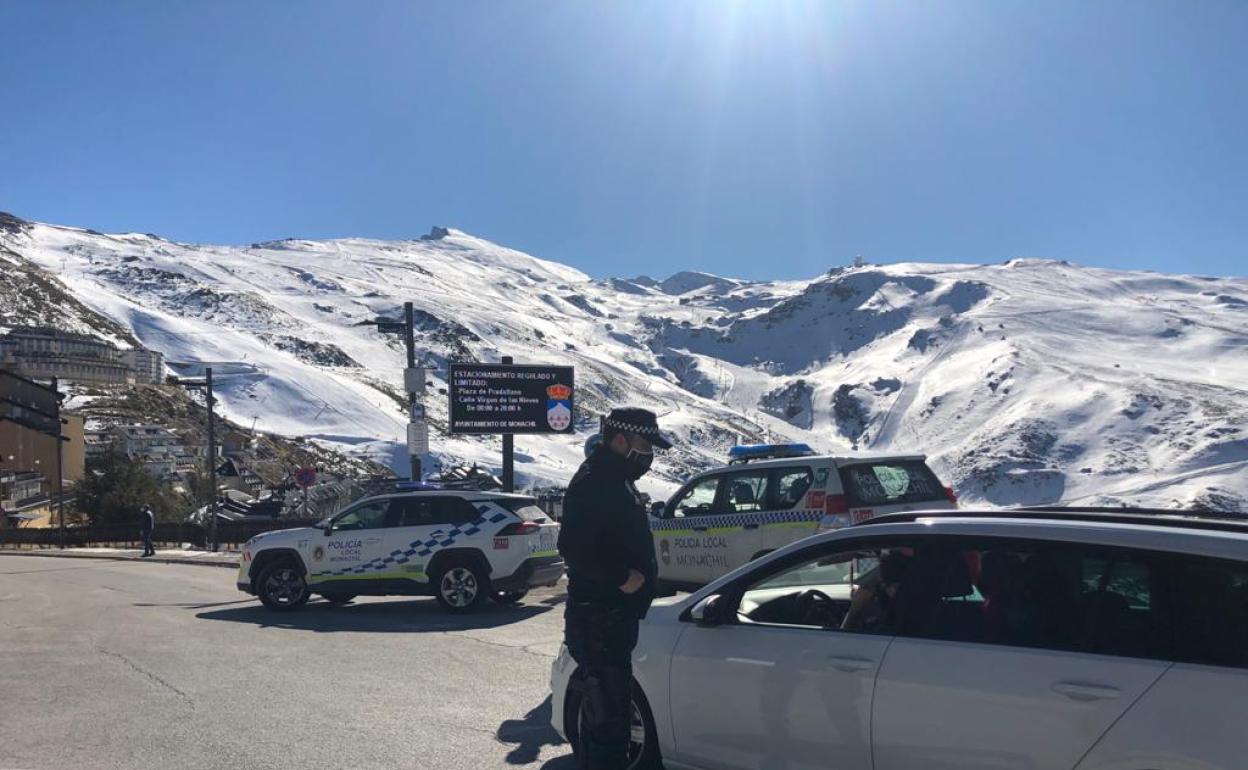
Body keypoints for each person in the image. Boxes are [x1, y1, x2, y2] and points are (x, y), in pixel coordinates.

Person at [558, 407, 672, 770]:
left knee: (613, 722)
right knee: (607, 727)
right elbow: (573, 547)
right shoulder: (596, 480)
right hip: (598, 619)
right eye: (644, 444)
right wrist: (621, 576)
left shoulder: (617, 478)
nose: (648, 454)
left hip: (612, 620)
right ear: (620, 440)